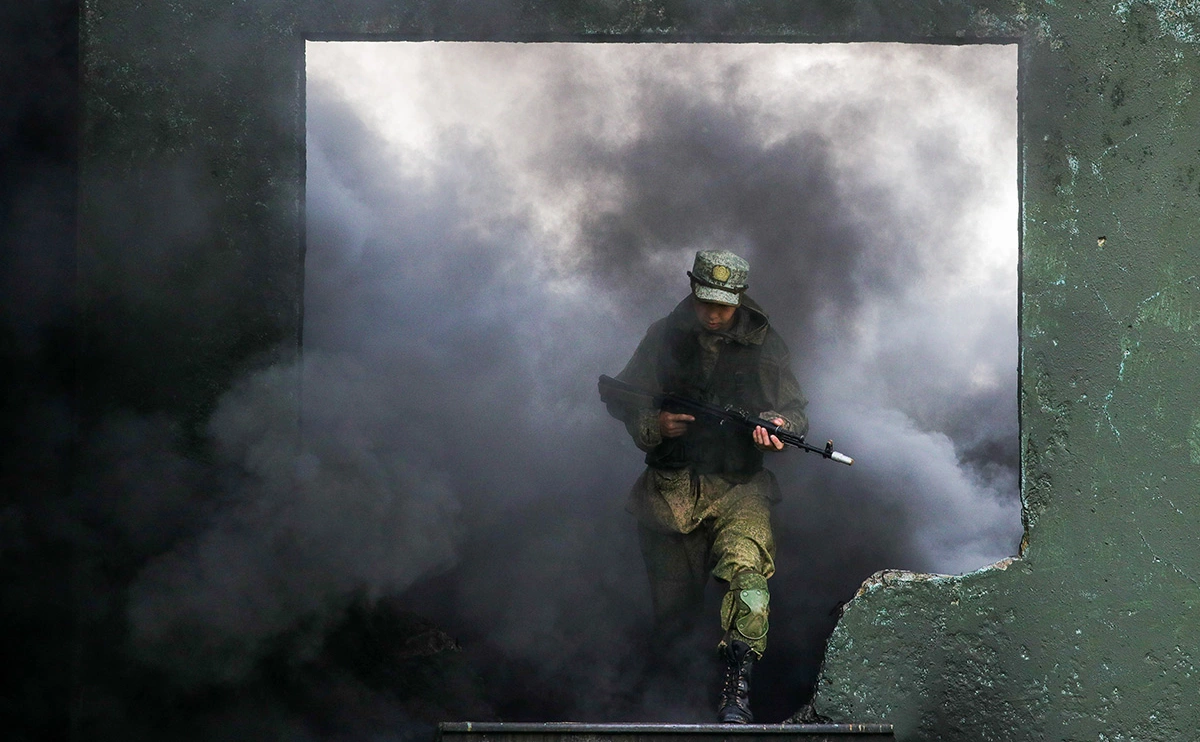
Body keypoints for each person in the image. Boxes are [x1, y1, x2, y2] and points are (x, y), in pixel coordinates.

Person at [603, 249, 808, 723]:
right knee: (673, 614)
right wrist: (653, 424)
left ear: (739, 298)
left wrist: (778, 426)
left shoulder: (765, 344)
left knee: (749, 579)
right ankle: (670, 705)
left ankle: (737, 694)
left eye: (724, 304)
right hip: (670, 490)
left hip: (740, 487)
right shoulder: (665, 336)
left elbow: (794, 410)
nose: (714, 313)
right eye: (706, 301)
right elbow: (622, 394)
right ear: (693, 290)